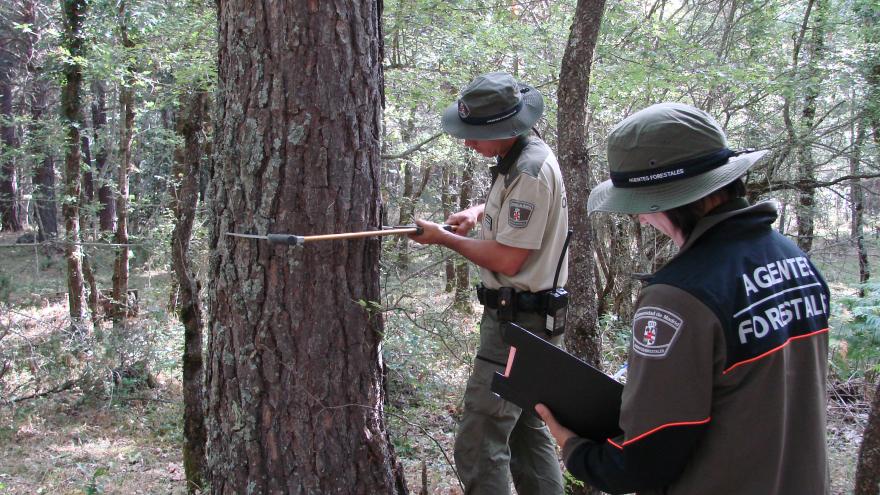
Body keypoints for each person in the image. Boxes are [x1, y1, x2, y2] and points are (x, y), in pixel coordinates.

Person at [535, 102, 831, 494]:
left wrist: (573, 447)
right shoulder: (797, 263)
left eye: (643, 204)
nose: (641, 218)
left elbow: (642, 463)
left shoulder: (677, 297)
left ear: (675, 198)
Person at [409, 71, 569, 495]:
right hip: (528, 322)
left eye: (476, 135)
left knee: (479, 445)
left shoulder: (529, 170)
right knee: (525, 434)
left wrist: (443, 238)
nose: (468, 143)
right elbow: (519, 210)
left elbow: (508, 259)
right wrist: (478, 212)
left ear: (506, 128)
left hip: (518, 327)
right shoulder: (520, 160)